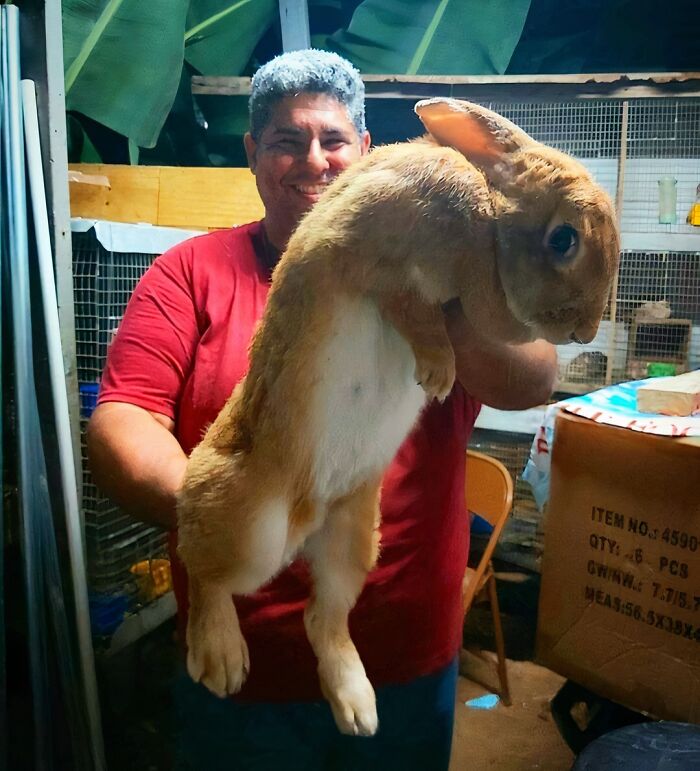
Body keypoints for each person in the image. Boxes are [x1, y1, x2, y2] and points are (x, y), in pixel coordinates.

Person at [87, 49, 558, 770]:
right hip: (246, 664)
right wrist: (226, 517)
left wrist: (440, 289)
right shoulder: (190, 272)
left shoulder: (439, 276)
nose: (314, 161)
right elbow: (124, 417)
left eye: (334, 140)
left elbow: (531, 380)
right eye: (287, 141)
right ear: (253, 154)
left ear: (365, 150)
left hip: (402, 656)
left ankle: (332, 632)